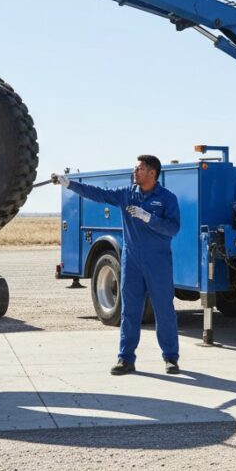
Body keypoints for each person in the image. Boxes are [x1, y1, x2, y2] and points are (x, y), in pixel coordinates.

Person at [52, 155, 181, 375]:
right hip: (131, 260)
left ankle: (170, 358)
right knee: (129, 311)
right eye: (135, 168)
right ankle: (125, 358)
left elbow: (173, 229)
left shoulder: (167, 198)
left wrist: (148, 217)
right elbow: (99, 194)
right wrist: (69, 184)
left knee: (164, 310)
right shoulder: (127, 194)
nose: (135, 171)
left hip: (158, 261)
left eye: (139, 168)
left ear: (152, 173)